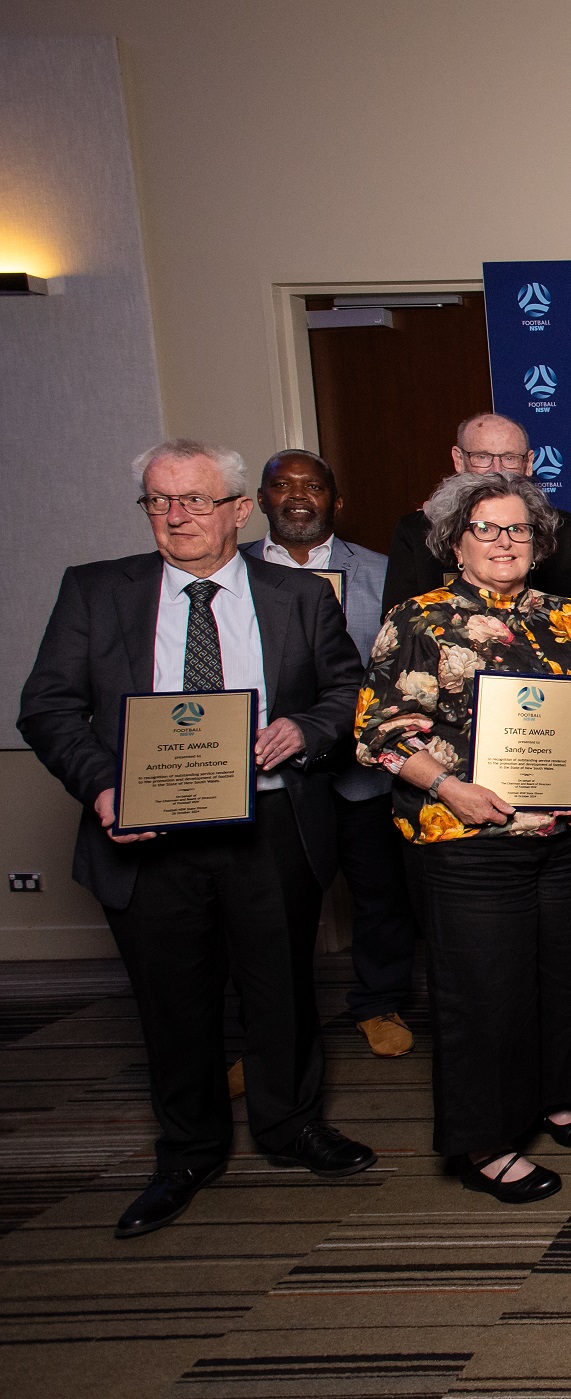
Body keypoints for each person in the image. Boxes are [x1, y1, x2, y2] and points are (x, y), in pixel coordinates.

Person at [19, 439, 375, 1239]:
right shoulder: (96, 591)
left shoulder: (298, 594)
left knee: (281, 987)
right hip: (148, 832)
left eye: (194, 500)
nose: (175, 516)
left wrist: (305, 729)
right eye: (158, 500)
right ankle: (187, 1151)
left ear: (237, 510)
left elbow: (347, 690)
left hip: (271, 823)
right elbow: (46, 707)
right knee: (172, 999)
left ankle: (291, 1127)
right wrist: (103, 786)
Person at [355, 470, 571, 1204]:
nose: (504, 541)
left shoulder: (570, 616)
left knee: (566, 976)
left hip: (563, 831)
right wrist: (449, 787)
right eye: (487, 529)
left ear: (539, 541)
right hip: (466, 834)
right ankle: (486, 1142)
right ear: (455, 543)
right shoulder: (420, 619)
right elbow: (379, 734)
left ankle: (558, 1095)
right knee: (483, 993)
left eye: (519, 529)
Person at [241, 449, 417, 1059]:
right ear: (259, 501)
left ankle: (379, 1001)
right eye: (281, 485)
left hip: (362, 771)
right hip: (271, 772)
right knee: (269, 906)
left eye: (312, 486)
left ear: (334, 502)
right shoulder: (231, 575)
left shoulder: (381, 571)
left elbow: (400, 665)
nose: (297, 495)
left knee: (381, 893)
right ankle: (268, 1032)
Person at [382, 412, 571, 615]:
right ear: (459, 460)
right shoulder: (415, 531)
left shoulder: (570, 533)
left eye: (510, 458)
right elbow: (398, 628)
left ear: (528, 463)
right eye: (482, 456)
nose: (497, 470)